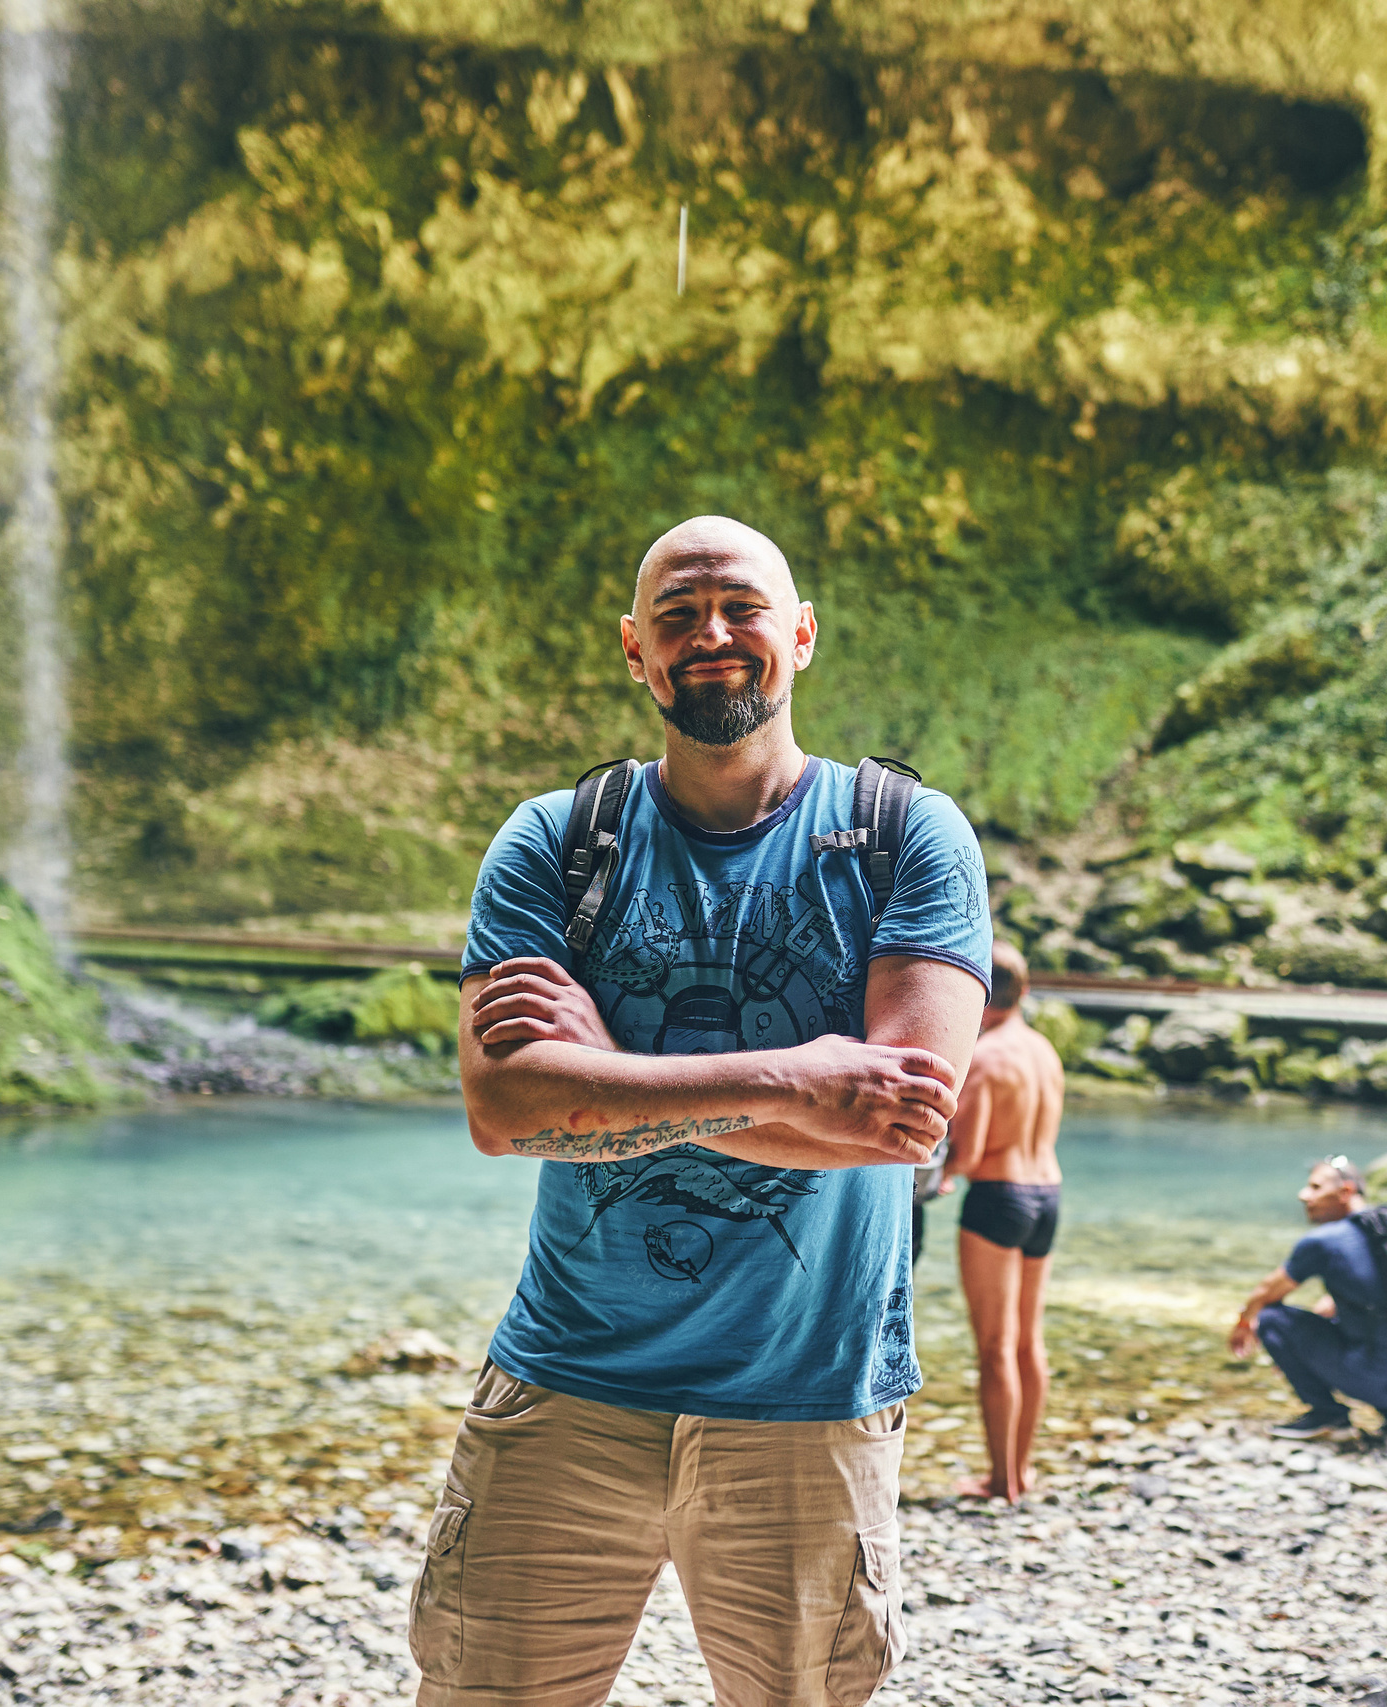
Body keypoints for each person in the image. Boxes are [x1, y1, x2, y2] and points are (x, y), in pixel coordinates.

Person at [436, 516, 994, 1707]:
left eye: (740, 607)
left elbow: (900, 1122)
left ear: (800, 634)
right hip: (565, 1386)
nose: (712, 636)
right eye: (678, 617)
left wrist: (601, 1079)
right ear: (635, 653)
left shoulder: (905, 837)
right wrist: (796, 1080)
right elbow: (502, 1111)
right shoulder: (556, 841)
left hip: (807, 1397)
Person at [943, 942, 1067, 1503]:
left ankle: (1001, 1481)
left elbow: (967, 1156)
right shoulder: (1044, 1051)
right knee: (1027, 1339)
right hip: (1047, 1194)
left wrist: (941, 1176)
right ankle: (1023, 1468)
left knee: (994, 1345)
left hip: (998, 1197)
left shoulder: (987, 1058)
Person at [1229, 1157, 1387, 1447]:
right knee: (1374, 1326)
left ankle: (1329, 1415)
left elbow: (1266, 1293)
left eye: (1315, 1187)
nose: (1303, 1195)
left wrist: (1244, 1322)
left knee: (1270, 1318)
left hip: (1371, 1379)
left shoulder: (1325, 1241)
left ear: (1345, 1192)